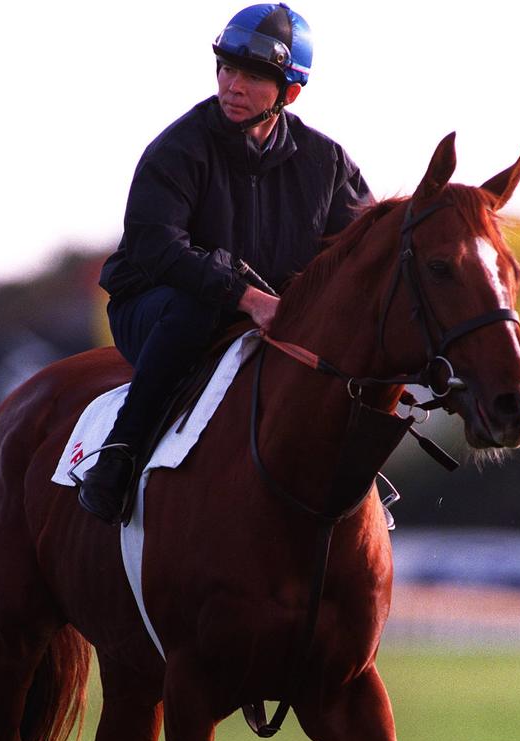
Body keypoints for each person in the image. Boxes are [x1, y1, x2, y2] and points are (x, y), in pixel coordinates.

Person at [78, 2, 371, 524]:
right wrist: (249, 298)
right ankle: (119, 455)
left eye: (254, 76)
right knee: (192, 310)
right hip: (153, 309)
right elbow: (157, 248)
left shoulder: (327, 163)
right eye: (227, 68)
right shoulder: (177, 148)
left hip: (269, 318)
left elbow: (357, 262)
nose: (233, 85)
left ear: (290, 93)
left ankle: (357, 480)